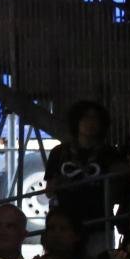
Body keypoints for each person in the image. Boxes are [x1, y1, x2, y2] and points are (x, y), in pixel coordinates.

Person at [45, 100, 117, 246]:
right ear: (76, 121)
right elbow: (49, 191)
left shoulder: (110, 154)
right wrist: (60, 183)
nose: (90, 122)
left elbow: (117, 190)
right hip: (66, 224)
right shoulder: (59, 152)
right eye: (85, 117)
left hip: (99, 221)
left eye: (95, 118)